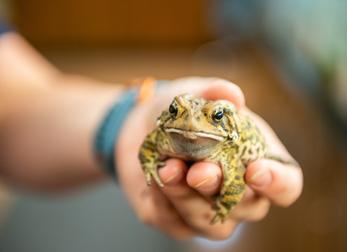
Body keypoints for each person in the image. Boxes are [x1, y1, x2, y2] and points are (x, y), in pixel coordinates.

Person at [0, 28, 303, 240]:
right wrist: (148, 166)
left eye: (214, 116)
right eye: (178, 111)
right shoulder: (164, 136)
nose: (191, 123)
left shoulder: (226, 146)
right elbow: (147, 148)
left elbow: (14, 98)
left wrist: (126, 119)